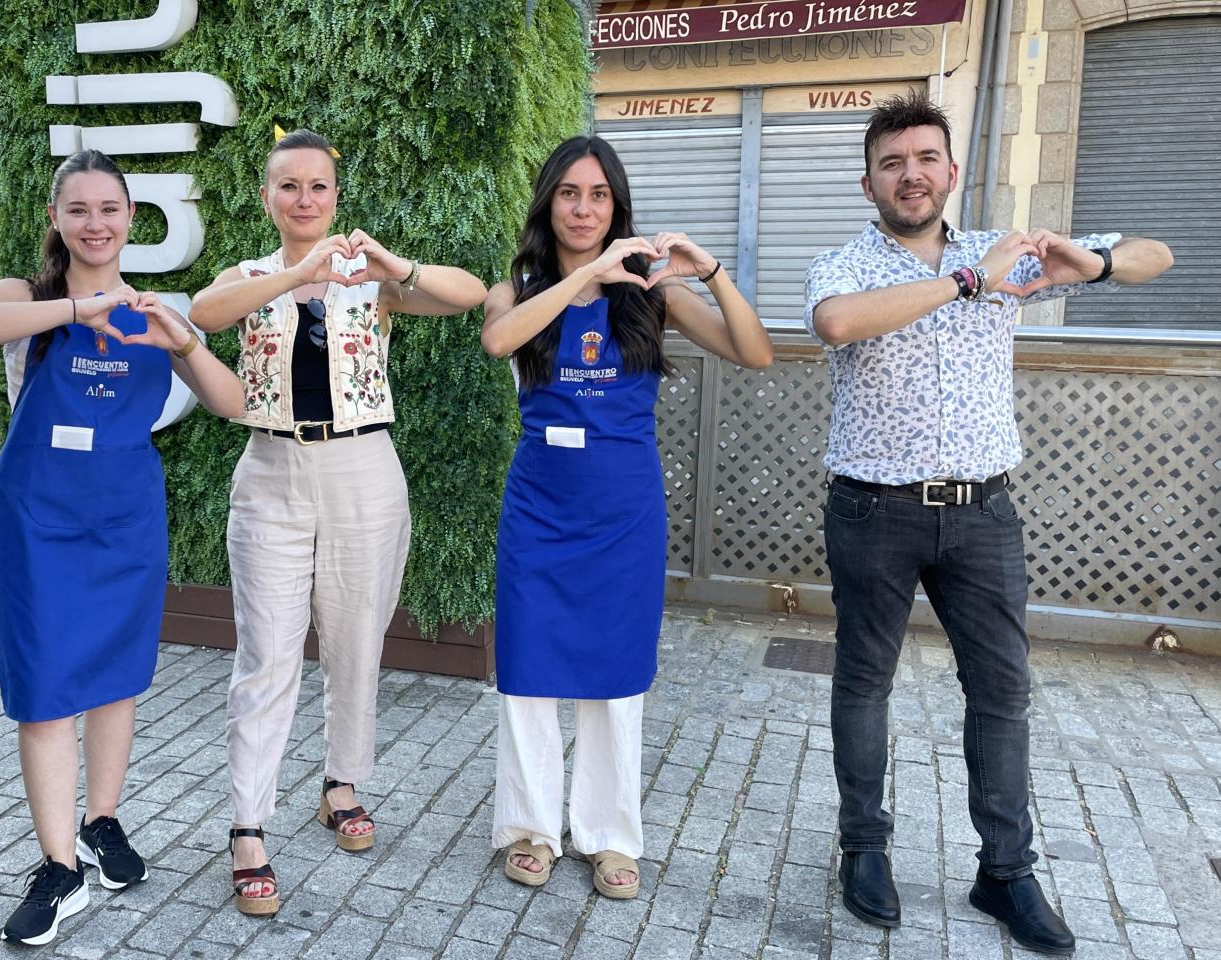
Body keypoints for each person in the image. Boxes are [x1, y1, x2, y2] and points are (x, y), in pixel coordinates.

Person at [805, 95, 1173, 956]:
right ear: (869, 183)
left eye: (925, 158)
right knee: (864, 682)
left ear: (952, 171)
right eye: (892, 163)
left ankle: (1005, 871)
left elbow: (1156, 254)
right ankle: (864, 849)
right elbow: (837, 323)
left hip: (984, 511)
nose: (911, 175)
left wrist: (1088, 261)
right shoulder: (847, 263)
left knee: (1003, 692)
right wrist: (969, 282)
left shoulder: (1003, 250)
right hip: (873, 507)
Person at [188, 128, 488, 915]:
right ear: (266, 197)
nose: (304, 199)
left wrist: (394, 266)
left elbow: (470, 294)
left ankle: (341, 785)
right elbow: (203, 314)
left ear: (335, 196)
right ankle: (247, 824)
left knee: (357, 640)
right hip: (271, 471)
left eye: (318, 186)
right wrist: (297, 274)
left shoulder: (370, 282)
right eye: (288, 185)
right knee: (266, 654)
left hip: (364, 469)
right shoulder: (251, 277)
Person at [0, 149, 244, 945]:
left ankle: (101, 822)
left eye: (109, 208)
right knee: (45, 685)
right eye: (77, 209)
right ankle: (58, 868)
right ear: (56, 218)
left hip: (124, 520)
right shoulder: (27, 298)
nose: (95, 223)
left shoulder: (154, 312)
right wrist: (78, 311)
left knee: (117, 676)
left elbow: (232, 401)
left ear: (130, 218)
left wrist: (184, 344)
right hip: (37, 521)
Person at [480, 135, 771, 899]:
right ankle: (531, 829)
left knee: (616, 679)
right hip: (540, 511)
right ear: (549, 202)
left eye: (599, 195)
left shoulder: (653, 292)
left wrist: (709, 271)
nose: (584, 209)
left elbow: (754, 352)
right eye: (569, 193)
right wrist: (585, 279)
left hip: (624, 512)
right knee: (528, 671)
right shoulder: (517, 288)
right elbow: (497, 339)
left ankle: (608, 836)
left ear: (618, 207)